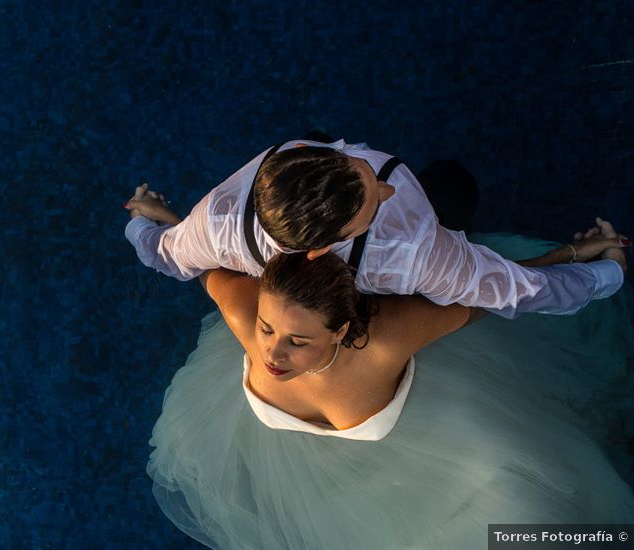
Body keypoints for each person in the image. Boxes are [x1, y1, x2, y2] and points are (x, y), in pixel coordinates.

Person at [135, 197, 634, 548]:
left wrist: (592, 263)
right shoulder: (245, 312)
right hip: (301, 477)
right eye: (268, 328)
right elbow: (193, 256)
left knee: (523, 512)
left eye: (297, 341)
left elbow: (507, 296)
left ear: (341, 331)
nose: (272, 355)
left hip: (423, 472)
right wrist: (148, 221)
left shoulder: (387, 338)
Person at [124, 139, 627, 318]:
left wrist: (139, 221)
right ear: (321, 250)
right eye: (373, 204)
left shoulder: (215, 223)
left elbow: (166, 255)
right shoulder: (417, 252)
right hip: (408, 269)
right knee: (453, 186)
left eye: (346, 162)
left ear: (300, 154)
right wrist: (611, 273)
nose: (388, 192)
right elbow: (518, 291)